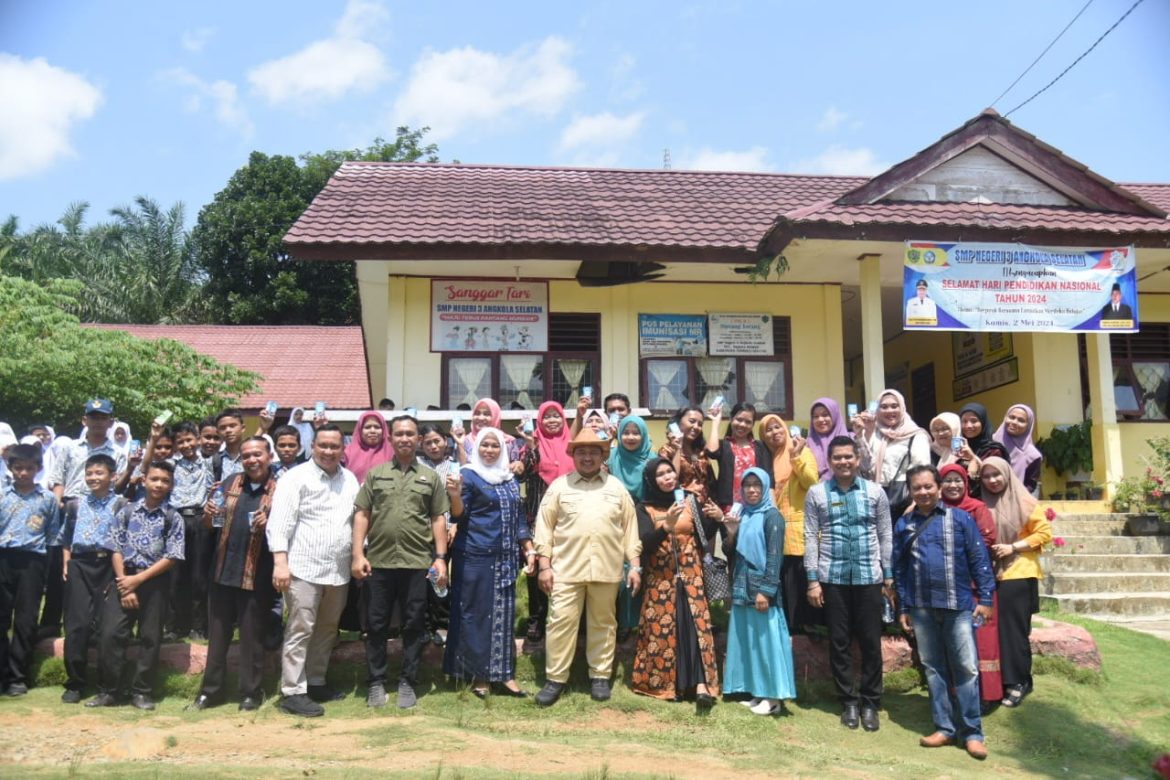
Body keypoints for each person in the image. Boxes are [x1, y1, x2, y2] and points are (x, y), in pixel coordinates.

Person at [533, 428, 642, 707]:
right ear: (573, 455)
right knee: (560, 623)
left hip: (607, 569)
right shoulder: (559, 487)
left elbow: (630, 529)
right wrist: (544, 566)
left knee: (604, 624)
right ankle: (555, 679)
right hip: (565, 570)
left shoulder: (616, 488)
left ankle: (600, 677)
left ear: (603, 455)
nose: (588, 457)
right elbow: (544, 528)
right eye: (582, 452)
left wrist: (635, 566)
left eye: (594, 451)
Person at [893, 465, 994, 760]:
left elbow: (979, 559)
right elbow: (899, 568)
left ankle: (972, 732)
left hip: (958, 606)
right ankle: (945, 728)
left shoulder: (960, 519)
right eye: (917, 488)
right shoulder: (905, 524)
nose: (923, 492)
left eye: (928, 486)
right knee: (934, 668)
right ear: (910, 492)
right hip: (921, 608)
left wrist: (986, 598)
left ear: (938, 488)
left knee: (965, 668)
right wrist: (903, 607)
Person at [352, 415, 450, 710]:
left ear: (418, 440)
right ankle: (376, 682)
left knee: (413, 624)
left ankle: (408, 680)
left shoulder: (430, 477)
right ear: (390, 438)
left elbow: (438, 519)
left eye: (410, 434)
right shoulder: (376, 474)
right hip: (379, 562)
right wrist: (358, 554)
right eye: (399, 434)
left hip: (417, 562)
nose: (405, 438)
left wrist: (441, 558)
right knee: (377, 624)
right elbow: (362, 514)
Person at [266, 425, 360, 717]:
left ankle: (316, 681)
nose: (329, 451)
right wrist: (280, 562)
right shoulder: (295, 478)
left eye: (334, 446)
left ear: (343, 448)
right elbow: (280, 523)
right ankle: (292, 691)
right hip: (303, 568)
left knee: (328, 629)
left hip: (338, 569)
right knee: (300, 628)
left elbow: (356, 520)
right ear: (313, 447)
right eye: (323, 446)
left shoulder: (350, 479)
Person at [804, 435, 893, 732]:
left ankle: (870, 701)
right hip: (833, 577)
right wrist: (813, 581)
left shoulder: (875, 492)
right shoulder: (817, 494)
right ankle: (849, 702)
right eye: (837, 457)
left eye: (848, 457)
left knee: (870, 642)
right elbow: (811, 538)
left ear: (857, 459)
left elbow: (885, 534)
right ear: (829, 462)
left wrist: (888, 574)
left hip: (869, 577)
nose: (843, 462)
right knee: (839, 642)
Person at [443, 427, 534, 698]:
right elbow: (459, 516)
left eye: (495, 445)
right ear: (476, 447)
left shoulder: (508, 478)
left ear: (503, 449)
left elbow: (518, 519)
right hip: (475, 557)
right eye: (485, 445)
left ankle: (505, 675)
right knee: (475, 615)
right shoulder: (469, 475)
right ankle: (479, 676)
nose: (490, 450)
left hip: (505, 558)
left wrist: (528, 549)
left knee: (504, 616)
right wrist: (456, 495)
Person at [190, 437, 278, 711]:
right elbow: (213, 525)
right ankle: (211, 691)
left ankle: (251, 692)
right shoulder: (229, 483)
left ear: (269, 455)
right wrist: (208, 515)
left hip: (257, 576)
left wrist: (271, 520)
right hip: (223, 571)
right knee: (217, 636)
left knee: (252, 638)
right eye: (247, 455)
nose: (252, 460)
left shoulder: (281, 488)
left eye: (257, 454)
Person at [91, 461, 183, 710]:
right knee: (111, 634)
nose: (159, 484)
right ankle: (109, 690)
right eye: (155, 479)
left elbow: (172, 556)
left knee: (150, 638)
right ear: (144, 480)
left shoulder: (173, 518)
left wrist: (138, 581)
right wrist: (126, 584)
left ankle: (142, 691)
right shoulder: (126, 511)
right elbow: (116, 547)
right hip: (123, 579)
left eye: (165, 481)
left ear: (171, 485)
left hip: (154, 583)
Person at [630, 458, 719, 711]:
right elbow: (643, 544)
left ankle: (701, 686)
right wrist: (666, 525)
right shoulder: (644, 508)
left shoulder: (689, 501)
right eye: (660, 474)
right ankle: (672, 686)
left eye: (670, 471)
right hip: (661, 581)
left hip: (692, 577)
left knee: (695, 628)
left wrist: (717, 518)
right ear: (651, 480)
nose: (667, 477)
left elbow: (702, 535)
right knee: (667, 631)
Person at [45, 399, 129, 637]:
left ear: (111, 422)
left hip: (104, 509)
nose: (98, 422)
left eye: (103, 418)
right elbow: (57, 479)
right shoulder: (70, 448)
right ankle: (52, 621)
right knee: (61, 566)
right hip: (71, 507)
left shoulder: (117, 451)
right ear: (85, 420)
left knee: (100, 570)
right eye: (93, 417)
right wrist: (57, 505)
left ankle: (94, 624)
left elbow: (119, 484)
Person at [980, 456, 1052, 710]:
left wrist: (1013, 546)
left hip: (1019, 572)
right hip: (990, 574)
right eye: (986, 476)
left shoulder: (1025, 501)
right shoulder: (982, 502)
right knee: (994, 631)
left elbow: (1043, 533)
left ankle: (1019, 681)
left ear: (1007, 474)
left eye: (997, 475)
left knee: (1014, 632)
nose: (992, 480)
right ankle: (999, 680)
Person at [724, 467, 796, 715]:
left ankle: (774, 697)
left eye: (757, 485)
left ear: (765, 488)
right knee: (750, 642)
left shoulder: (772, 516)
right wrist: (732, 532)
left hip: (761, 590)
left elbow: (775, 558)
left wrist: (766, 591)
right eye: (747, 485)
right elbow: (729, 551)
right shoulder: (742, 513)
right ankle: (758, 692)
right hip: (742, 587)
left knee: (767, 642)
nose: (752, 489)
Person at [59, 453, 127, 704]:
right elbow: (66, 538)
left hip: (109, 565)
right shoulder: (75, 504)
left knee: (106, 627)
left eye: (99, 473)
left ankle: (107, 685)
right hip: (80, 565)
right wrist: (66, 562)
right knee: (77, 625)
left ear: (112, 476)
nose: (93, 477)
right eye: (89, 473)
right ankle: (75, 683)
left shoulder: (121, 505)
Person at [939, 463, 1004, 711]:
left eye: (958, 480)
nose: (953, 485)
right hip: (949, 585)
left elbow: (987, 538)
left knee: (984, 637)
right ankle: (957, 692)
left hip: (977, 583)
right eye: (947, 480)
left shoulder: (976, 508)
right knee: (956, 639)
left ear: (966, 483)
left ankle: (988, 693)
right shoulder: (936, 509)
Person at [0, 444, 61, 695]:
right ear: (10, 468)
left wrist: (50, 569)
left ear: (38, 469)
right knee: (1, 619)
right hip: (3, 558)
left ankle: (17, 676)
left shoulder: (47, 499)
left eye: (29, 468)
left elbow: (53, 535)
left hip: (33, 561)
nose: (23, 473)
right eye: (18, 468)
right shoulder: (2, 496)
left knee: (26, 620)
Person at [517, 401, 575, 646]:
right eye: (547, 416)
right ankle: (536, 619)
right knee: (537, 570)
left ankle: (569, 619)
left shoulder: (571, 447)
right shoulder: (531, 446)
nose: (552, 420)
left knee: (568, 569)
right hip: (537, 518)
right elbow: (523, 472)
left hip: (568, 518)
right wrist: (530, 444)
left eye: (556, 416)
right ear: (540, 420)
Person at [759, 414, 820, 633]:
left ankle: (807, 627)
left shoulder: (802, 451)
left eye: (777, 427)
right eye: (768, 430)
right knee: (786, 579)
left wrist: (795, 456)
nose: (774, 432)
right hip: (777, 527)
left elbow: (812, 482)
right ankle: (790, 626)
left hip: (800, 524)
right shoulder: (766, 460)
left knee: (801, 575)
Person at [607, 414, 653, 642]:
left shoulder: (651, 458)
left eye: (636, 432)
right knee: (618, 568)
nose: (631, 437)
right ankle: (621, 622)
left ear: (643, 435)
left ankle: (639, 620)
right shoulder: (613, 456)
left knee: (639, 567)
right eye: (626, 432)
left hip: (643, 517)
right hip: (614, 518)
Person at [853, 389, 930, 518]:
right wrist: (861, 434)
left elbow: (922, 470)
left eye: (894, 406)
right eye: (884, 407)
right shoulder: (874, 433)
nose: (889, 411)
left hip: (905, 501)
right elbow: (864, 466)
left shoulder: (915, 435)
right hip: (874, 500)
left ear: (903, 407)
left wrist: (915, 503)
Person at [418, 423, 459, 646]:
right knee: (421, 580)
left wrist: (455, 525)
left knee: (440, 578)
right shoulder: (416, 465)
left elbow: (460, 498)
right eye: (428, 443)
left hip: (446, 533)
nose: (433, 446)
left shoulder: (455, 466)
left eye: (437, 441)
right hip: (419, 533)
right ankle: (424, 625)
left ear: (445, 441)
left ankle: (442, 623)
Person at [704, 401, 773, 514]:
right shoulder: (724, 445)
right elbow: (711, 452)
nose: (742, 424)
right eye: (739, 419)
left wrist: (771, 509)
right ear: (731, 419)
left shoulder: (761, 447)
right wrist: (716, 422)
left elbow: (769, 479)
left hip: (757, 508)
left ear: (752, 425)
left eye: (748, 422)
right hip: (729, 509)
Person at [660, 406, 715, 503]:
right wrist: (678, 448)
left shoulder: (700, 452)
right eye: (692, 421)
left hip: (705, 509)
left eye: (700, 424)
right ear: (678, 422)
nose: (696, 427)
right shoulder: (667, 451)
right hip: (683, 508)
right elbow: (671, 480)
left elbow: (711, 482)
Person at [958, 403, 1009, 499]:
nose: (968, 425)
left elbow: (995, 480)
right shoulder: (958, 449)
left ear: (983, 422)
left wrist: (973, 457)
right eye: (964, 421)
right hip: (962, 504)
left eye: (974, 421)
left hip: (988, 502)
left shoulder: (994, 450)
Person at [993, 405, 1043, 495]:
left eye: (1021, 420)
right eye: (1011, 417)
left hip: (1015, 501)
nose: (1014, 422)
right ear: (1005, 417)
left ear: (1029, 425)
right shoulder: (990, 443)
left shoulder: (1032, 456)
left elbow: (1030, 485)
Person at [807, 398, 851, 481]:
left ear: (834, 415)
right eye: (815, 416)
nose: (820, 419)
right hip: (817, 491)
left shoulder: (850, 440)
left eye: (825, 415)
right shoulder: (807, 444)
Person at [213, 409, 247, 482]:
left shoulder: (251, 457)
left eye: (232, 426)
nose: (228, 430)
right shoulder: (215, 460)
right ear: (218, 432)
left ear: (243, 428)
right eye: (223, 428)